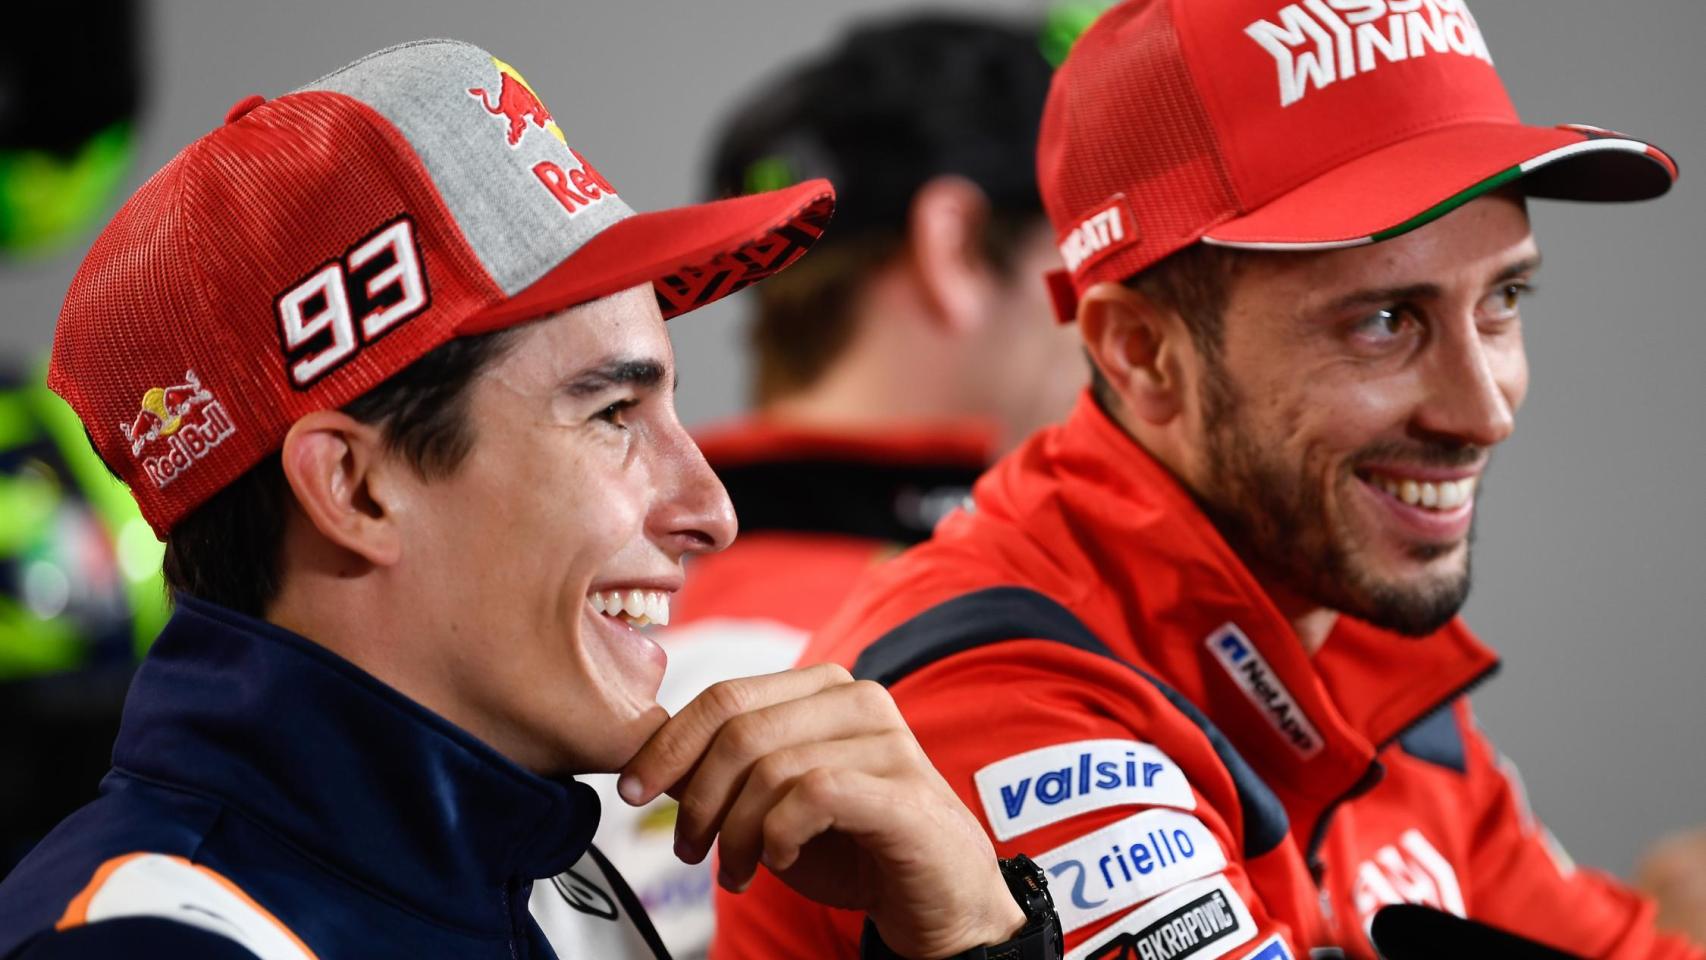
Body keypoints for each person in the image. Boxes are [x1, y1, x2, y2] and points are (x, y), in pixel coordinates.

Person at [0, 40, 1060, 960]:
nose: (708, 508)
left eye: (673, 405)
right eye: (611, 415)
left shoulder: (558, 893)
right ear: (355, 488)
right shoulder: (151, 942)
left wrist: (966, 940)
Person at [717, 1, 1703, 958]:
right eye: (1381, 322)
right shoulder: (1000, 689)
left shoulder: (1354, 622)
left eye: (1501, 300)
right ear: (1142, 354)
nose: (1483, 409)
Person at [586, 16, 1082, 956]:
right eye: (1075, 262)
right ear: (959, 244)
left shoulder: (586, 625)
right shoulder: (967, 647)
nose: (1096, 323)